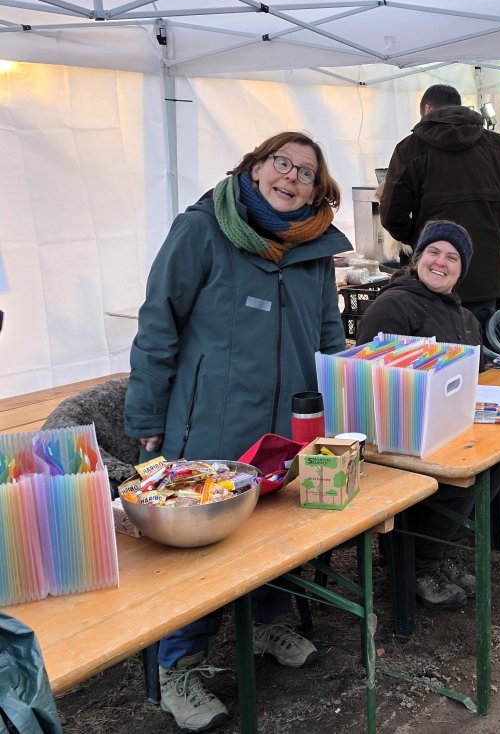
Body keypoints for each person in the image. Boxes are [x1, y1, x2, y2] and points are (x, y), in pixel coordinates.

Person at [125, 131, 351, 731]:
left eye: (306, 172)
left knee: (275, 534)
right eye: (282, 163)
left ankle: (268, 623)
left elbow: (328, 333)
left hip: (284, 428)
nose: (291, 177)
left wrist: (338, 407)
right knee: (197, 552)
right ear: (254, 168)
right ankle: (178, 668)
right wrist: (146, 420)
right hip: (208, 425)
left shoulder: (314, 248)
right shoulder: (201, 230)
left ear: (316, 189)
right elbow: (158, 324)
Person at [355, 220, 500, 608]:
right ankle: (418, 563)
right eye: (433, 252)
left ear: (461, 269)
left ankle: (438, 551)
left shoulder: (462, 315)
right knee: (467, 467)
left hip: (445, 426)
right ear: (418, 257)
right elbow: (367, 380)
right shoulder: (393, 306)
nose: (441, 262)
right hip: (396, 434)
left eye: (452, 257)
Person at [378, 83, 500, 333]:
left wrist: (427, 241)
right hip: (484, 278)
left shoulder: (409, 149)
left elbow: (391, 216)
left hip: (434, 278)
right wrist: (489, 231)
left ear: (427, 109)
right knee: (482, 351)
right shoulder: (498, 145)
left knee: (439, 354)